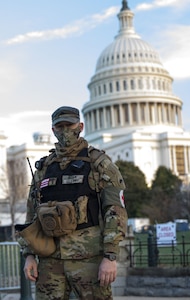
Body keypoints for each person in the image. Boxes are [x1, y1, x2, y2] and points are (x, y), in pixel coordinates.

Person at [21, 106, 128, 300]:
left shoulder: (99, 163)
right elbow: (32, 213)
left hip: (88, 259)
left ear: (80, 126)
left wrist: (110, 256)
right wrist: (29, 254)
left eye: (69, 125)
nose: (65, 131)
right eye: (59, 127)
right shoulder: (44, 167)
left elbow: (115, 211)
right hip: (50, 261)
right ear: (53, 130)